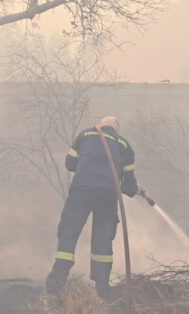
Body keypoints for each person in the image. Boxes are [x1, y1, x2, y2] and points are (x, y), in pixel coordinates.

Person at [45, 115, 143, 299]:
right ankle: (102, 286)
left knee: (69, 231)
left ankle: (57, 281)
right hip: (107, 194)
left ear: (101, 124)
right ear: (116, 128)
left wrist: (89, 163)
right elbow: (128, 183)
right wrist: (135, 189)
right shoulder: (124, 145)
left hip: (82, 190)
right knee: (103, 237)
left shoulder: (85, 134)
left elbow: (70, 164)